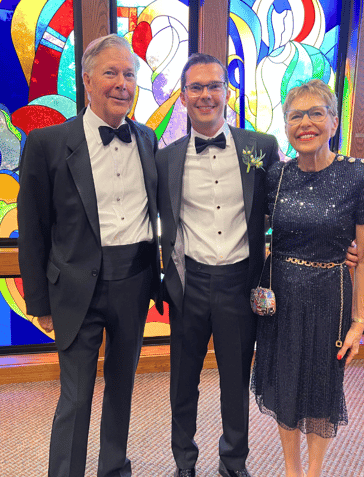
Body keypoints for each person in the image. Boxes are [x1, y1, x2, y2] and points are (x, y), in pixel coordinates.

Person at [17, 34, 163, 477]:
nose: (123, 83)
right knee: (76, 395)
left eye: (129, 74)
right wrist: (38, 303)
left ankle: (114, 468)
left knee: (122, 387)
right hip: (76, 285)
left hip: (134, 282)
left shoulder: (148, 138)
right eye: (111, 73)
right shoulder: (46, 144)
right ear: (86, 82)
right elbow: (34, 232)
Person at [250, 79, 364, 477]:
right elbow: (259, 231)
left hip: (331, 299)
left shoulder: (361, 176)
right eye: (295, 116)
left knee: (322, 387)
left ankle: (314, 472)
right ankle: (291, 470)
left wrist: (360, 321)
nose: (305, 123)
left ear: (333, 122)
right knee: (285, 384)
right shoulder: (276, 176)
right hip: (281, 300)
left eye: (315, 113)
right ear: (286, 126)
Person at [156, 53, 278, 477]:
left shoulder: (261, 148)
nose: (206, 95)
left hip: (238, 284)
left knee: (234, 384)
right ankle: (184, 463)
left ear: (227, 92)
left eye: (214, 86)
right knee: (182, 383)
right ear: (184, 97)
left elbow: (287, 207)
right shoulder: (165, 159)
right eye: (196, 87)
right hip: (189, 284)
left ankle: (233, 463)